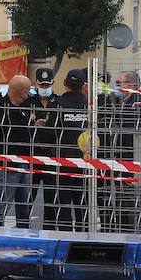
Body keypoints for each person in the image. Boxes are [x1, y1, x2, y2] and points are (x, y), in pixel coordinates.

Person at [0, 75, 35, 227]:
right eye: (28, 90)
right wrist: (0, 159)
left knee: (23, 203)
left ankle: (24, 233)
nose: (30, 94)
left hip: (23, 161)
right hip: (7, 164)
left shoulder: (24, 108)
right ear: (23, 92)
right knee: (4, 203)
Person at [53, 68, 90, 230]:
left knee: (64, 203)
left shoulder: (58, 104)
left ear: (64, 83)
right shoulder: (89, 105)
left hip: (63, 160)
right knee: (83, 203)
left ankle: (65, 235)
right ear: (83, 85)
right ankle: (84, 236)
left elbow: (50, 132)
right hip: (85, 160)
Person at [27, 67, 60, 226]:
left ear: (53, 83)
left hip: (52, 155)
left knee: (51, 198)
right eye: (42, 85)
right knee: (28, 197)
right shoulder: (29, 102)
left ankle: (49, 230)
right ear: (36, 84)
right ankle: (24, 229)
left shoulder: (58, 103)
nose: (45, 89)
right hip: (33, 155)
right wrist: (33, 124)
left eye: (47, 86)